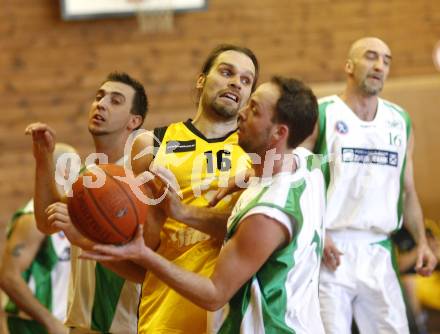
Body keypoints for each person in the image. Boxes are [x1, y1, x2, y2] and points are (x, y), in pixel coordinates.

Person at [82, 76, 326, 334]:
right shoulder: (308, 168)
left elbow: (214, 294)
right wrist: (242, 178)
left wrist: (143, 255)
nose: (241, 113)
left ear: (279, 132)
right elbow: (285, 163)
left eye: (254, 110)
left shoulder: (266, 215)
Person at [302, 37, 437, 333]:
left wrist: (422, 242)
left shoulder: (399, 121)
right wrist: (318, 232)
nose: (379, 65)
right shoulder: (322, 115)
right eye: (371, 57)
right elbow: (302, 181)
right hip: (330, 248)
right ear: (349, 66)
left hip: (378, 249)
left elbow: (408, 188)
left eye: (386, 60)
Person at [127, 44, 258, 333]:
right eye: (227, 72)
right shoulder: (150, 144)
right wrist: (156, 216)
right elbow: (141, 246)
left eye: (246, 80)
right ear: (201, 80)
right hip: (167, 309)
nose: (236, 82)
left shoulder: (259, 151)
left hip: (236, 313)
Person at [25, 72, 148, 333]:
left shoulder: (139, 174)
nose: (101, 104)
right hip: (81, 324)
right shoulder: (87, 173)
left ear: (134, 121)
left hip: (127, 325)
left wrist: (84, 238)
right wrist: (43, 159)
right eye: (99, 97)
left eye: (115, 101)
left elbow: (146, 269)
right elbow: (47, 222)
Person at [0, 143, 76, 334]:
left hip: (61, 323)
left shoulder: (67, 213)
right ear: (64, 172)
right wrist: (50, 321)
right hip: (33, 326)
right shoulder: (32, 219)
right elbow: (8, 277)